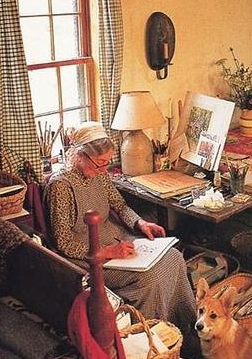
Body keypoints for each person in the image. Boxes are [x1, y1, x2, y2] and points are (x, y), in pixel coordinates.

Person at [36, 132, 196, 337]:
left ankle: (185, 326)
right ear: (80, 155)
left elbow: (120, 206)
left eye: (106, 163)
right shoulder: (60, 186)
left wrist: (140, 222)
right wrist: (106, 252)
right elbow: (63, 242)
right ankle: (148, 337)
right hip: (87, 257)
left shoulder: (100, 174)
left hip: (115, 238)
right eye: (99, 163)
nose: (104, 169)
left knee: (174, 257)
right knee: (148, 278)